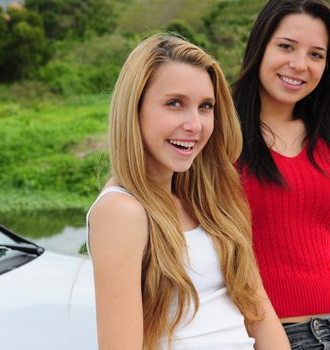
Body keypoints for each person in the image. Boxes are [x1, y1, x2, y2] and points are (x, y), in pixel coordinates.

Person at [86, 34, 290, 350]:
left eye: (205, 106)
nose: (194, 124)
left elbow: (257, 310)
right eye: (175, 103)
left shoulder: (209, 199)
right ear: (134, 108)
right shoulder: (122, 211)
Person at [233, 0, 330, 349]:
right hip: (278, 337)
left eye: (316, 55)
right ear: (260, 46)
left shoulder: (329, 135)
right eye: (286, 46)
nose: (299, 64)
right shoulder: (220, 132)